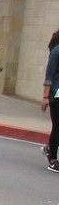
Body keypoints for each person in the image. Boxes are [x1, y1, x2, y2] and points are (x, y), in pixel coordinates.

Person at [42, 29, 59, 172]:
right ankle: (53, 159)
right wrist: (45, 97)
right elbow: (49, 75)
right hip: (57, 95)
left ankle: (49, 148)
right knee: (57, 127)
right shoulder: (56, 52)